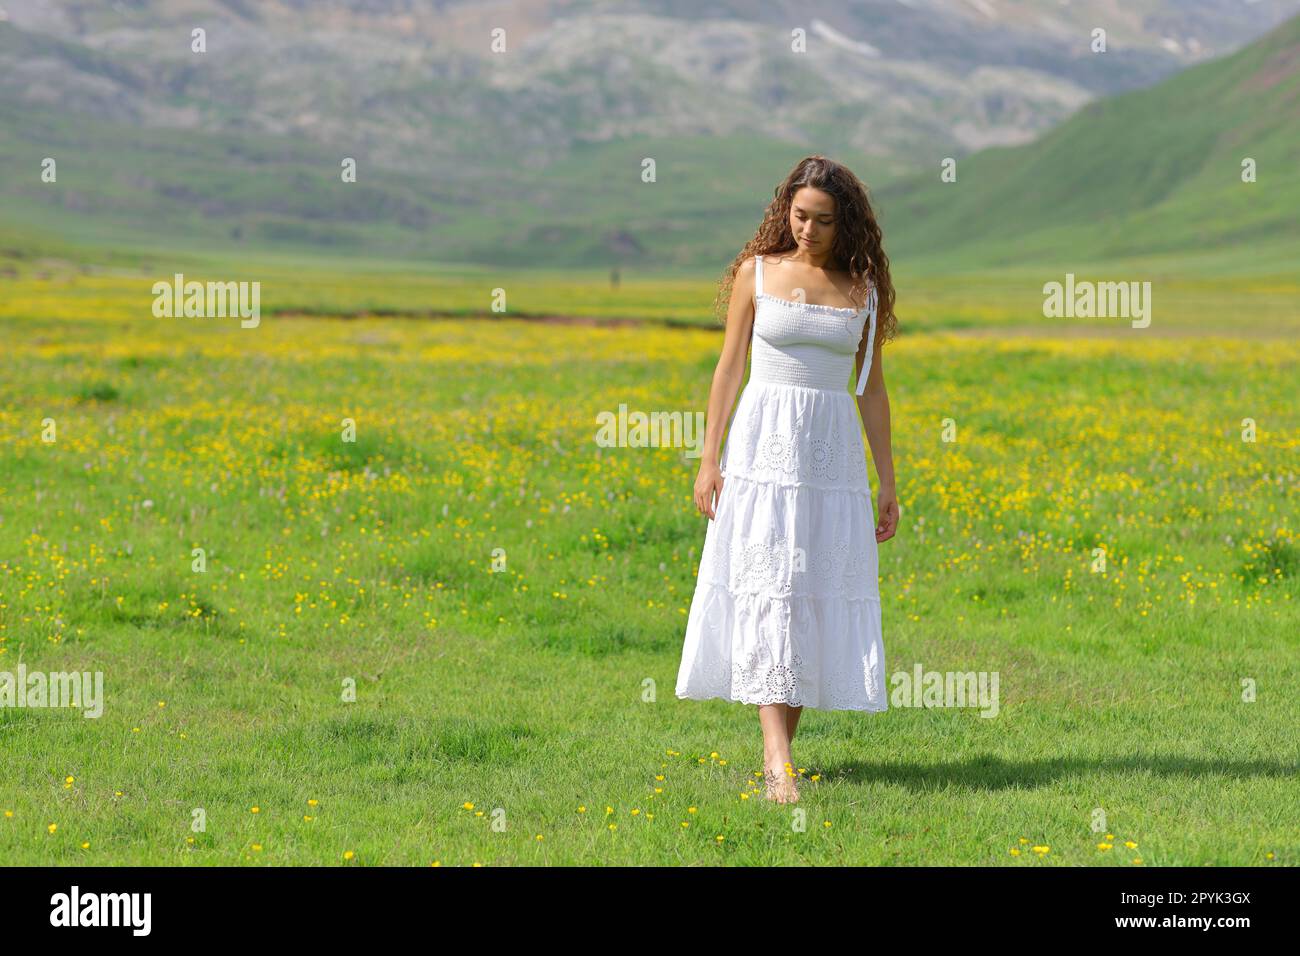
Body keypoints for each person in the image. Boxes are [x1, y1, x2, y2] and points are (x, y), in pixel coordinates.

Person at [675, 155, 900, 804]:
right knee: (769, 587)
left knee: (813, 595)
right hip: (762, 454)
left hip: (830, 463)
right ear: (785, 212)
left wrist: (888, 482)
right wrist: (708, 458)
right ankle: (777, 761)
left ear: (845, 223)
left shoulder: (862, 289)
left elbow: (873, 391)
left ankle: (781, 754)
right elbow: (727, 371)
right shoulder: (758, 273)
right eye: (800, 216)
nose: (808, 230)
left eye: (823, 221)